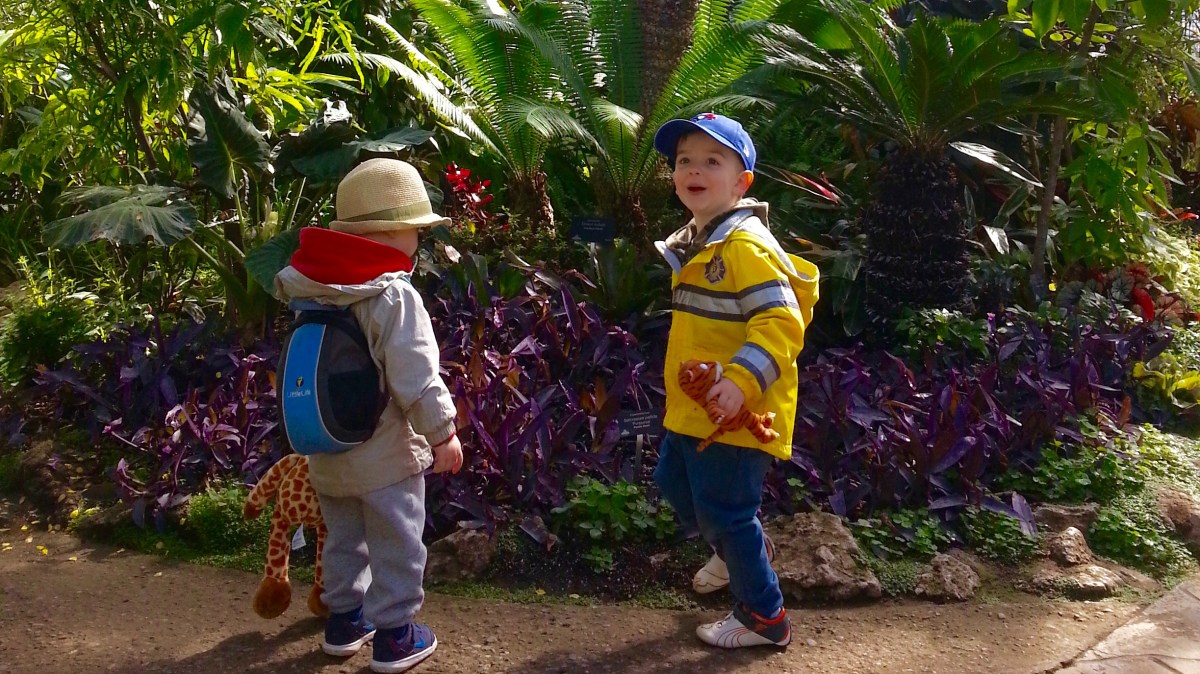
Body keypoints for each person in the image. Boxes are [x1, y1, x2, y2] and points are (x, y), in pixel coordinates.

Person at [274, 158, 463, 673]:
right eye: (415, 230)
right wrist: (442, 433)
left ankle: (344, 622)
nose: (418, 239)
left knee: (342, 538)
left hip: (327, 450)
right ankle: (397, 636)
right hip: (385, 458)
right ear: (387, 234)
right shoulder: (393, 295)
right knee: (397, 541)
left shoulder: (311, 288)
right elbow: (416, 376)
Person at [651, 113, 819, 649]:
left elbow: (781, 321)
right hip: (697, 408)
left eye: (711, 161)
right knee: (675, 483)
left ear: (742, 181)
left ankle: (763, 616)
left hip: (737, 413)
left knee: (726, 510)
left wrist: (743, 380)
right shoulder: (703, 240)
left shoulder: (745, 247)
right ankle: (736, 552)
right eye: (684, 161)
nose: (693, 171)